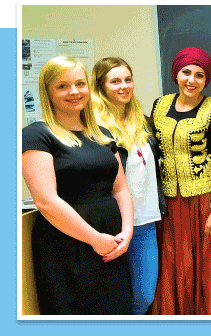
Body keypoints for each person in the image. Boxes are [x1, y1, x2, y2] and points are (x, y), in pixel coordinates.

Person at [22, 55, 133, 314]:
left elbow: (120, 188)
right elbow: (46, 201)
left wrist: (126, 232)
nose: (74, 92)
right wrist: (94, 239)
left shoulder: (103, 134)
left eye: (80, 84)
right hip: (67, 245)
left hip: (113, 243)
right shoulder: (37, 135)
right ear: (48, 92)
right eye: (62, 86)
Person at [149, 47, 211, 315]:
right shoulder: (159, 106)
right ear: (176, 73)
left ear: (206, 80)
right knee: (176, 270)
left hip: (206, 204)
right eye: (186, 72)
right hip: (170, 206)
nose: (192, 80)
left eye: (200, 75)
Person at [90, 57, 166, 315]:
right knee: (115, 296)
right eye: (115, 81)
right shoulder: (93, 128)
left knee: (144, 295)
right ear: (100, 87)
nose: (124, 86)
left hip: (145, 222)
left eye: (127, 79)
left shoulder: (143, 122)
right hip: (112, 225)